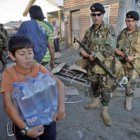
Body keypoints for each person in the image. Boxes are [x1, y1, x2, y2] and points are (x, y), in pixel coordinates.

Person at [1, 36, 65, 140]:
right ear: (12, 56)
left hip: (45, 115)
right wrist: (26, 129)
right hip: (23, 121)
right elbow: (8, 105)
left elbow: (59, 84)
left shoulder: (38, 68)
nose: (27, 57)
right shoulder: (9, 74)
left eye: (30, 52)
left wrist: (61, 108)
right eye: (22, 54)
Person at [80, 3, 116, 126]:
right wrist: (83, 52)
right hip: (91, 66)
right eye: (93, 14)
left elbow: (111, 48)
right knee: (94, 84)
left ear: (103, 15)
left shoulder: (109, 29)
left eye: (98, 14)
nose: (95, 17)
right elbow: (82, 44)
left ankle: (105, 110)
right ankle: (95, 101)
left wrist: (96, 55)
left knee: (105, 89)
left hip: (104, 66)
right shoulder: (88, 31)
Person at [115, 11, 140, 111]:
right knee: (113, 72)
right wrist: (116, 50)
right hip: (122, 61)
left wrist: (133, 56)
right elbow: (116, 46)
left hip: (134, 63)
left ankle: (128, 99)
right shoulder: (122, 32)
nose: (130, 23)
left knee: (132, 81)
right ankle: (111, 91)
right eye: (128, 21)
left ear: (136, 22)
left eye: (132, 21)